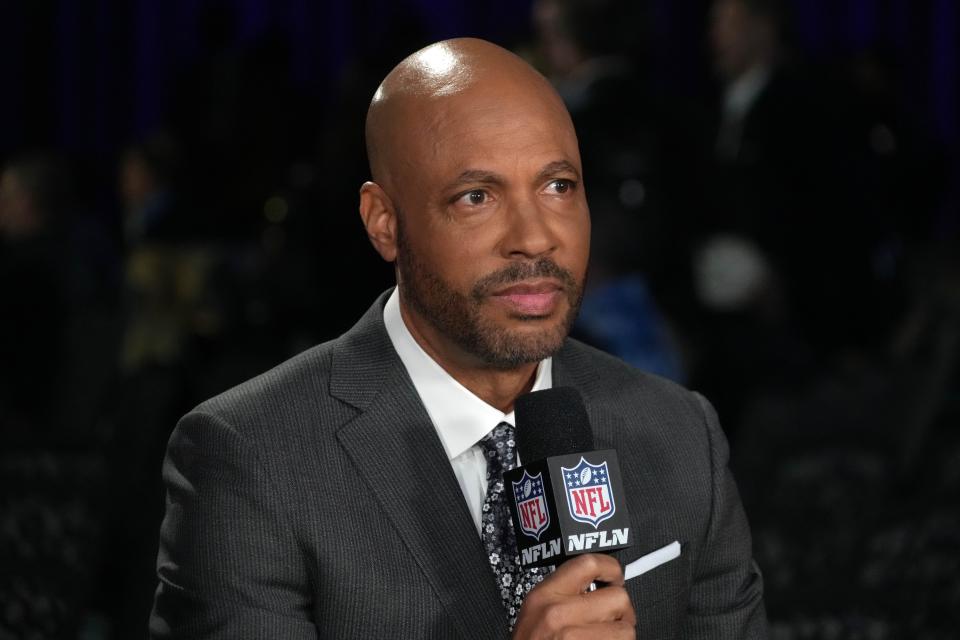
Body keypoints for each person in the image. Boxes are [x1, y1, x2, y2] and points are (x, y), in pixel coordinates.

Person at [150, 38, 767, 639]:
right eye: (477, 197)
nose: (534, 237)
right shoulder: (251, 459)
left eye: (558, 187)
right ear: (385, 224)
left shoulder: (683, 435)